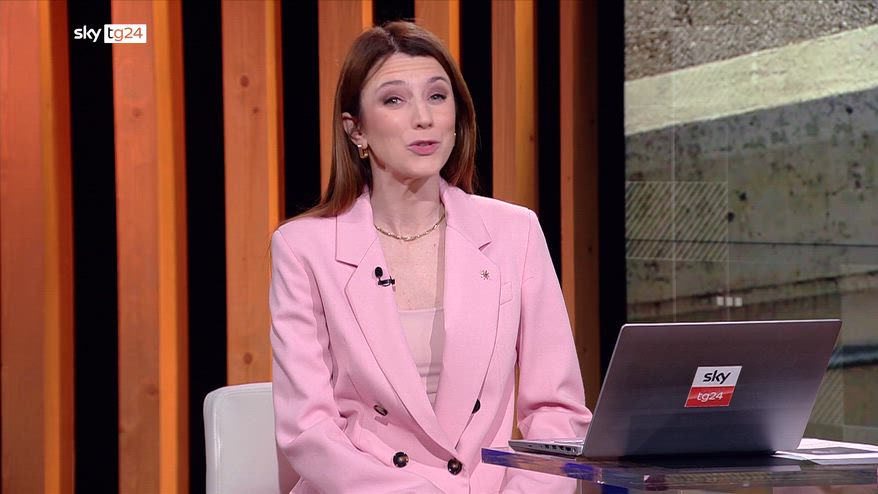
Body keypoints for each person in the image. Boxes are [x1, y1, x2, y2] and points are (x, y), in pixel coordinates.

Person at [270, 21, 591, 493]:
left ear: (457, 118)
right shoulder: (304, 248)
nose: (423, 117)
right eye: (394, 100)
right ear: (355, 130)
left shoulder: (514, 233)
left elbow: (556, 413)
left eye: (437, 96)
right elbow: (308, 429)